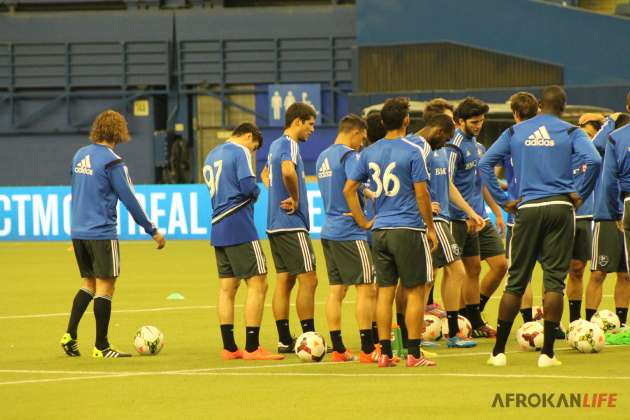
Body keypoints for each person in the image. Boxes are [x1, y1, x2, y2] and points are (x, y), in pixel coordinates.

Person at [480, 86, 601, 367]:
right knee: (554, 281)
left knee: (517, 280)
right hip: (560, 208)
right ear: (564, 106)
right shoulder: (571, 132)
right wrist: (579, 193)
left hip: (527, 207)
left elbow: (486, 163)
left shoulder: (515, 132)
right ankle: (548, 353)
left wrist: (505, 200)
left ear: (537, 106)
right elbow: (594, 160)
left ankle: (498, 353)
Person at [60, 110, 166, 359]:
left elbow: (76, 188)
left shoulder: (79, 155)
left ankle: (70, 336)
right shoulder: (113, 162)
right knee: (106, 286)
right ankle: (101, 346)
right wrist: (152, 230)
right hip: (101, 232)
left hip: (78, 231)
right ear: (119, 131)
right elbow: (130, 199)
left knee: (88, 284)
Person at [345, 97, 438, 368]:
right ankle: (414, 353)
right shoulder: (413, 150)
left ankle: (384, 353)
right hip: (407, 228)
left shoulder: (369, 152)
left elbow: (349, 189)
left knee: (384, 292)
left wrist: (364, 221)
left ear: (383, 122)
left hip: (380, 230)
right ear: (407, 120)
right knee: (415, 291)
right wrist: (430, 227)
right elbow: (422, 193)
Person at [204, 123, 283, 361]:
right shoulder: (239, 152)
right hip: (238, 223)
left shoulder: (211, 154)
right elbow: (248, 186)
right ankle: (252, 346)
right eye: (254, 147)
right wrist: (260, 190)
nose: (253, 152)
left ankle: (229, 347)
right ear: (249, 136)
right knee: (259, 283)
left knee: (227, 289)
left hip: (218, 225)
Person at [407, 112, 483, 348]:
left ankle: (428, 331)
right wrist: (424, 206)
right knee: (452, 271)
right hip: (431, 220)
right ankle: (440, 332)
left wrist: (470, 211)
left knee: (429, 278)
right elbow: (406, 182)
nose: (447, 144)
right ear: (439, 131)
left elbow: (446, 184)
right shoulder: (413, 147)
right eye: (447, 138)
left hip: (443, 218)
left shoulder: (436, 150)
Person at [316, 114, 380, 363]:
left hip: (329, 229)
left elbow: (344, 183)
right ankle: (367, 349)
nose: (362, 144)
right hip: (350, 231)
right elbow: (349, 189)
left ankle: (339, 349)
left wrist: (368, 191)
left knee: (336, 291)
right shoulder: (350, 156)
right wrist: (363, 221)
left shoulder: (323, 156)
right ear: (355, 132)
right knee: (367, 289)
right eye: (361, 139)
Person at [261, 102, 318, 353]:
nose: (312, 130)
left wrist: (274, 193)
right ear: (297, 122)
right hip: (291, 224)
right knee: (310, 278)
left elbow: (264, 174)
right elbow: (287, 171)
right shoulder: (290, 145)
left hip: (274, 224)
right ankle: (309, 338)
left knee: (285, 280)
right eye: (310, 124)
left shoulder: (274, 145)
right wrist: (295, 198)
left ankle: (285, 340)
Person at [447, 97, 502, 338]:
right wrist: (467, 214)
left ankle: (471, 316)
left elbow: (481, 183)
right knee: (458, 271)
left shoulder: (478, 146)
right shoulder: (454, 146)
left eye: (481, 121)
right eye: (474, 121)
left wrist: (497, 211)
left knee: (494, 266)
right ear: (460, 121)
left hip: (479, 218)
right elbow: (446, 183)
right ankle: (460, 320)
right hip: (458, 218)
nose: (479, 125)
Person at [590, 112, 630, 326]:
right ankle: (586, 322)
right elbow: (594, 146)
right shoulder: (613, 138)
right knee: (599, 272)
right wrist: (610, 122)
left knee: (626, 274)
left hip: (624, 210)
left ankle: (622, 324)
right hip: (608, 214)